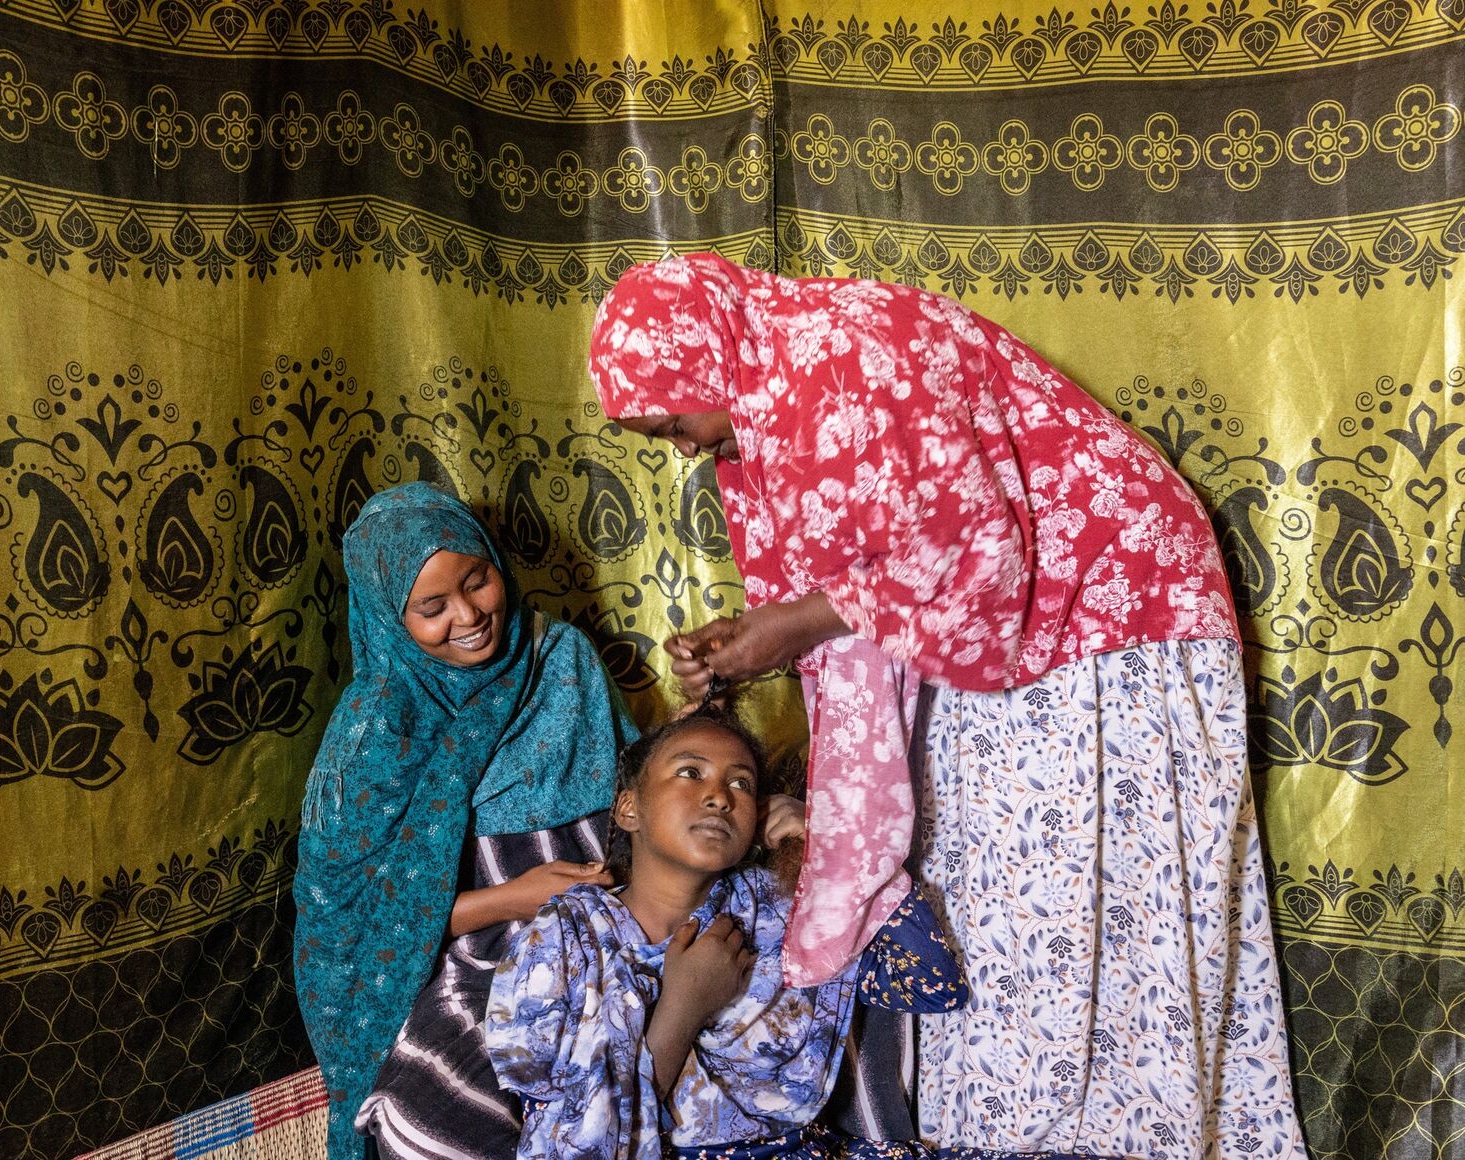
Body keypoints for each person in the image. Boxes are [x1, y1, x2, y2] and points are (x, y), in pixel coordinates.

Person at [588, 254, 1307, 1160]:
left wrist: (793, 624)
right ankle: (1012, 1135)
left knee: (1087, 902)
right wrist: (755, 637)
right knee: (998, 901)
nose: (686, 447)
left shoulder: (841, 352)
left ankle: (1118, 1139)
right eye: (663, 439)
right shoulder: (771, 398)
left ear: (708, 355)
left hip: (1105, 610)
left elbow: (972, 547)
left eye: (676, 422)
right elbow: (856, 572)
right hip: (1004, 635)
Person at [486, 709, 1071, 1160]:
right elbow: (565, 1140)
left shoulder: (778, 910)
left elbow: (932, 984)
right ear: (628, 808)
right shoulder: (564, 939)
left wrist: (826, 854)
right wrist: (684, 1007)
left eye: (742, 785)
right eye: (690, 773)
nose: (719, 795)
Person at [293, 482, 635, 1160]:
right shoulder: (374, 736)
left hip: (615, 921)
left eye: (477, 581)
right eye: (431, 607)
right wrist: (518, 898)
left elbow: (637, 793)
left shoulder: (560, 658)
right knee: (431, 1120)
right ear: (392, 620)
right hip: (473, 966)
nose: (470, 615)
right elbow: (355, 933)